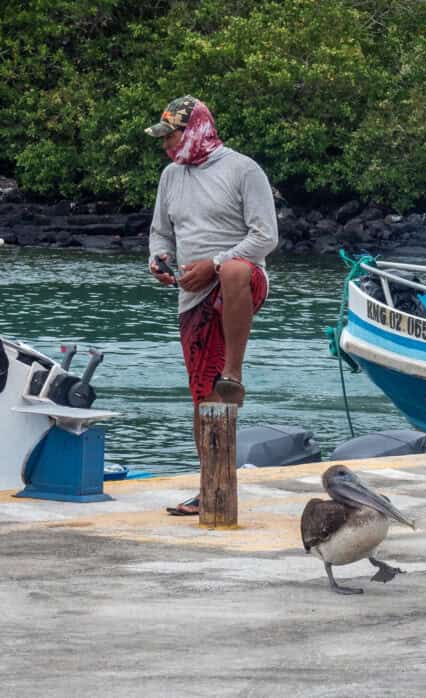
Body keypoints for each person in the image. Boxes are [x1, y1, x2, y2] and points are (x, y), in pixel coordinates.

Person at [146, 95, 278, 515]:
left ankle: (234, 373)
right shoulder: (171, 175)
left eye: (172, 134)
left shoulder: (243, 169)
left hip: (241, 283)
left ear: (198, 127)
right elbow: (160, 234)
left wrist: (215, 263)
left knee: (235, 271)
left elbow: (265, 237)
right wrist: (159, 260)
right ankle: (210, 485)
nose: (166, 144)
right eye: (164, 137)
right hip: (193, 296)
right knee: (203, 398)